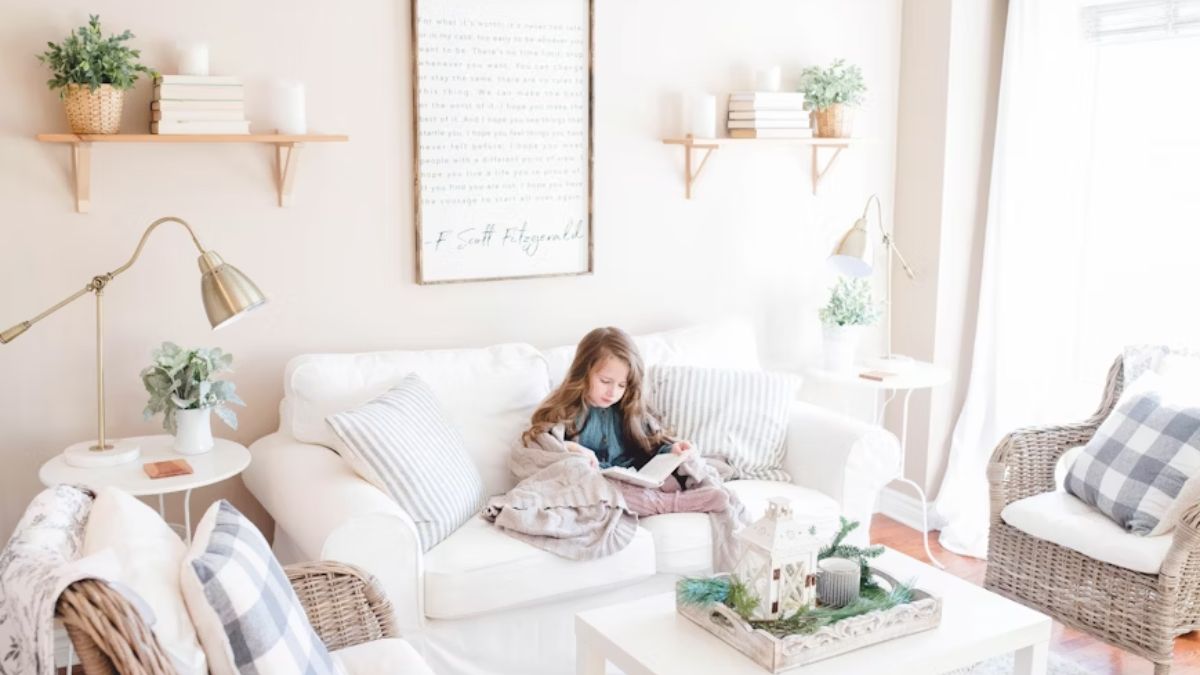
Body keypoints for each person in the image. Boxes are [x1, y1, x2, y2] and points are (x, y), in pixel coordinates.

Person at [523, 326, 729, 515]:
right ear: (583, 373)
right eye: (605, 381)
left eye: (622, 385)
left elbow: (650, 446)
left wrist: (673, 451)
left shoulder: (627, 409)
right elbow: (542, 449)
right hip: (597, 482)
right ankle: (670, 504)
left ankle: (668, 496)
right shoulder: (565, 409)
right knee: (604, 492)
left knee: (669, 478)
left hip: (634, 476)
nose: (613, 392)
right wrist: (573, 449)